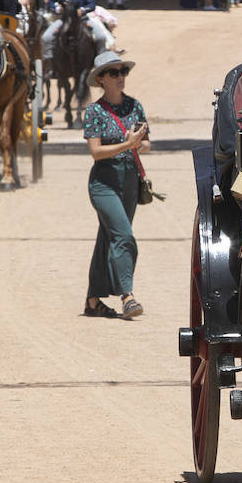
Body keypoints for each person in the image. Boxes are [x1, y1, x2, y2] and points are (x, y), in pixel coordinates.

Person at [82, 51, 149, 321]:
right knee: (123, 236)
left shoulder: (135, 106)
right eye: (114, 73)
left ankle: (92, 300)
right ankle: (127, 296)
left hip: (130, 179)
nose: (120, 77)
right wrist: (127, 144)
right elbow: (96, 152)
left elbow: (146, 143)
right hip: (103, 182)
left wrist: (138, 144)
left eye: (123, 71)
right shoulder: (94, 111)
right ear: (101, 79)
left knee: (108, 237)